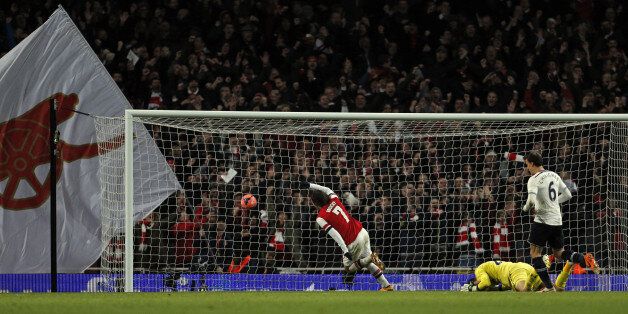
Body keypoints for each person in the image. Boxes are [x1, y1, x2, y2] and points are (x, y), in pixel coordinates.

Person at [522, 151, 599, 292]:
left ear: (532, 163)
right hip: (557, 220)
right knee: (559, 253)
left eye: (527, 164)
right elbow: (568, 195)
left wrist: (526, 208)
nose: (527, 168)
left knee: (535, 253)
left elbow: (531, 200)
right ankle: (583, 258)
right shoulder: (554, 175)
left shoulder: (533, 179)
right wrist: (553, 203)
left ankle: (549, 288)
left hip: (542, 220)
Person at [303, 182, 393, 291]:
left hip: (353, 241)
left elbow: (335, 235)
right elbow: (326, 188)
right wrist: (309, 185)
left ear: (315, 203)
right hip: (362, 231)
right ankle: (387, 286)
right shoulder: (334, 199)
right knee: (368, 264)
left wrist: (345, 250)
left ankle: (371, 257)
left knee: (349, 268)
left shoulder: (320, 217)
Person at [461, 256, 573, 292]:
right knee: (556, 290)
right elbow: (499, 287)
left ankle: (540, 267)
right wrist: (492, 289)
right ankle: (568, 265)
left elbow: (484, 283)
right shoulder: (494, 275)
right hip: (524, 267)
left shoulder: (479, 270)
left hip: (515, 271)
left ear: (475, 280)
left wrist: (472, 288)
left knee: (525, 291)